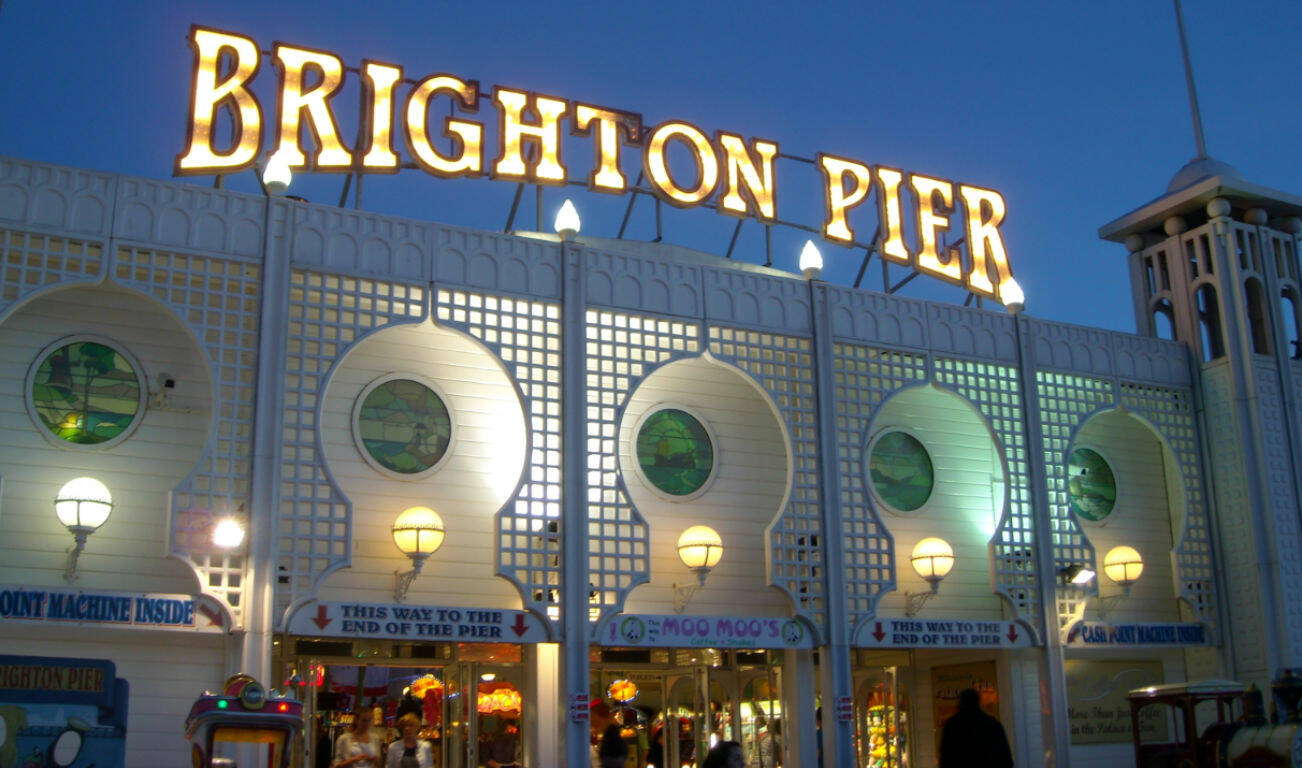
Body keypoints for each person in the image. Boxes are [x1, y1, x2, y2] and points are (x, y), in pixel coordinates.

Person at [938, 688, 1014, 768]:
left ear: (961, 703)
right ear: (978, 702)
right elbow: (1006, 759)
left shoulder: (952, 726)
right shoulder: (992, 724)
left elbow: (945, 758)